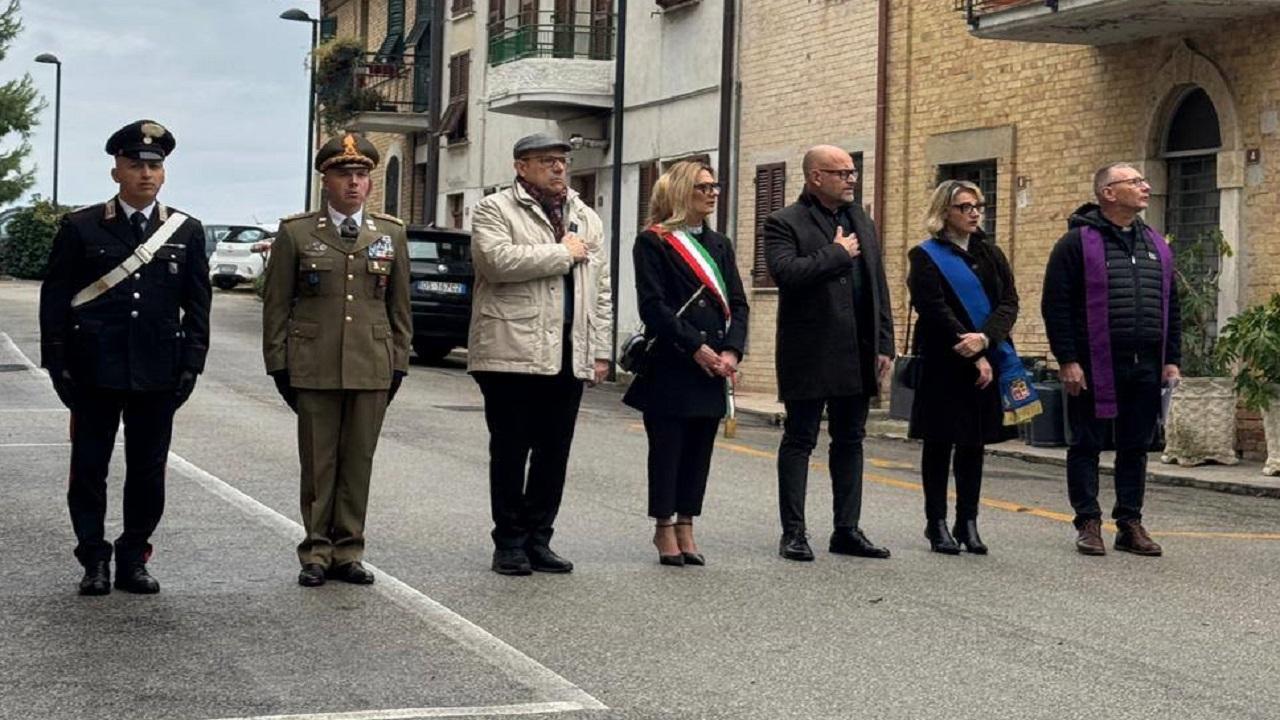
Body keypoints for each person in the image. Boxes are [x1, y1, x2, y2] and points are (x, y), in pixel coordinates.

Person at [39, 120, 212, 595]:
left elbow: (198, 306)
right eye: (135, 165)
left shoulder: (186, 231)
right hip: (94, 370)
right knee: (89, 469)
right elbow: (55, 298)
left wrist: (191, 364)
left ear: (164, 173)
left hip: (158, 371)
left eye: (155, 166)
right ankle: (93, 557)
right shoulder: (81, 227)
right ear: (116, 170)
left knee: (147, 470)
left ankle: (134, 555)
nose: (146, 174)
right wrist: (57, 363)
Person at [261, 132, 412, 587]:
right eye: (343, 174)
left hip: (372, 363)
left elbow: (400, 307)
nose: (353, 183)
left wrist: (398, 363)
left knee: (358, 461)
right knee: (319, 461)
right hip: (313, 363)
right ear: (325, 180)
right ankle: (315, 551)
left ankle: (349, 549)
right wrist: (279, 365)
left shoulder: (390, 233)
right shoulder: (297, 233)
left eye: (361, 175)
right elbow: (276, 306)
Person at [468, 133, 613, 576]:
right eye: (547, 161)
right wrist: (561, 252)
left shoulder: (586, 217)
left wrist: (600, 350)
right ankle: (508, 541)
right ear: (521, 166)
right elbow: (496, 263)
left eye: (563, 162)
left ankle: (539, 538)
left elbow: (600, 290)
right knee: (511, 451)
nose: (558, 169)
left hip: (569, 355)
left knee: (555, 453)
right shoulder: (494, 209)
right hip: (511, 351)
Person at [1041, 162, 1181, 557]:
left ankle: (1129, 522)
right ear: (1108, 193)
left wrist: (1172, 359)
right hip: (1092, 363)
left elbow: (1172, 305)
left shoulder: (1156, 243)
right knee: (1086, 442)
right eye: (1135, 181)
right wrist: (1067, 359)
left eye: (1144, 180)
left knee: (1136, 445)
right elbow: (1056, 304)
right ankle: (1088, 521)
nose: (1146, 186)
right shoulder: (1075, 243)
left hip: (1146, 364)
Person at [763, 145, 894, 562]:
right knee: (800, 439)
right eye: (841, 173)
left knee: (850, 439)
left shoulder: (861, 220)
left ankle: (847, 529)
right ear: (815, 177)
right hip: (810, 350)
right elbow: (786, 274)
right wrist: (836, 255)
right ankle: (794, 533)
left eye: (853, 171)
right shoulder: (784, 222)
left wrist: (885, 343)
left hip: (858, 349)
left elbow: (878, 284)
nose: (851, 179)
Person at [623, 161, 749, 566]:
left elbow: (739, 304)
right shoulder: (654, 242)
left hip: (713, 365)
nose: (712, 193)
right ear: (680, 191)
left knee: (699, 449)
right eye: (702, 187)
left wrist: (731, 351)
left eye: (715, 186)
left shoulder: (720, 244)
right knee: (668, 448)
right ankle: (663, 526)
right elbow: (653, 305)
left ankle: (687, 523)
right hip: (674, 362)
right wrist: (695, 347)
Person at [907, 180, 1029, 555]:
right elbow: (933, 308)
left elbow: (1009, 302)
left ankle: (968, 521)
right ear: (945, 212)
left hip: (986, 356)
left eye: (979, 205)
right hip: (945, 359)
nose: (975, 212)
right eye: (965, 206)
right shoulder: (925, 255)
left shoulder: (990, 253)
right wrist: (970, 350)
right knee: (940, 442)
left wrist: (986, 341)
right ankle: (936, 522)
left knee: (974, 443)